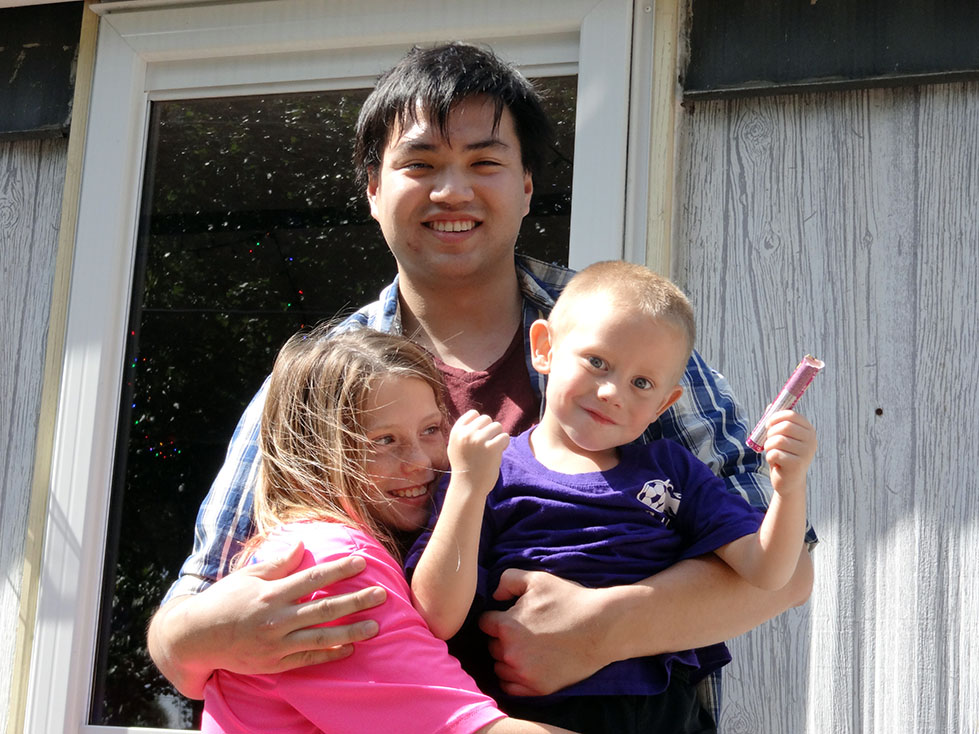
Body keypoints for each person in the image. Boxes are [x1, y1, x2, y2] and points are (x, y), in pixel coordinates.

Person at [148, 42, 816, 724]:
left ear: (526, 186)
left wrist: (604, 628)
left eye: (484, 162)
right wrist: (210, 633)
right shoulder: (319, 382)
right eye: (419, 164)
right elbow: (185, 618)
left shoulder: (622, 337)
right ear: (373, 189)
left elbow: (786, 573)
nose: (452, 192)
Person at [408, 261, 817, 733]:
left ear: (664, 405)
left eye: (641, 384)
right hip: (537, 718)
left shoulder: (674, 471)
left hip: (666, 715)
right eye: (597, 362)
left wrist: (790, 489)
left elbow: (769, 572)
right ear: (544, 349)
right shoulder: (489, 471)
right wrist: (466, 485)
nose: (610, 392)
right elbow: (436, 616)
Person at [202, 325, 577, 734]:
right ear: (315, 451)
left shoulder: (316, 542)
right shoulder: (333, 566)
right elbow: (463, 729)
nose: (420, 462)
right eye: (384, 440)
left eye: (431, 430)